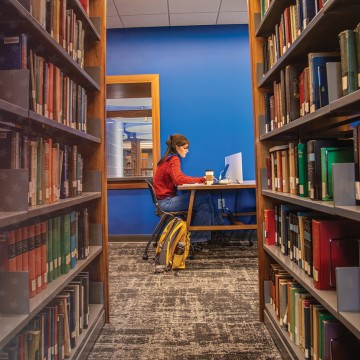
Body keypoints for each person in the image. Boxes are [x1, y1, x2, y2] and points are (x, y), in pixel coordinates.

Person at [153, 134, 224, 245]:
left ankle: (198, 240)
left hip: (165, 200)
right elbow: (178, 179)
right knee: (206, 196)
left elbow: (179, 177)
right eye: (185, 148)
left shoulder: (167, 159)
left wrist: (199, 180)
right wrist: (201, 179)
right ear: (177, 146)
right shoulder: (173, 159)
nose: (187, 151)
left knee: (204, 205)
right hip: (166, 203)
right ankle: (219, 229)